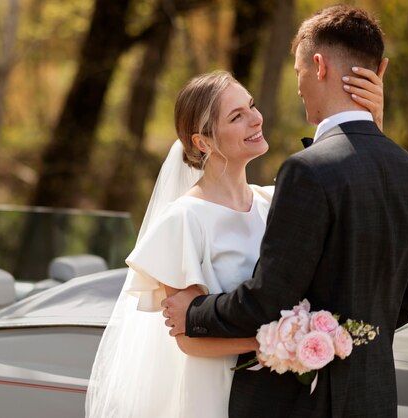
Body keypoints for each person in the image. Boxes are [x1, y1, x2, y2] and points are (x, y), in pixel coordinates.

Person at [85, 47, 385, 418]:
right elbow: (190, 338)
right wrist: (290, 341)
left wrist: (374, 127)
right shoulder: (184, 221)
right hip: (218, 393)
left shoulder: (274, 201)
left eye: (252, 106)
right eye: (237, 116)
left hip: (280, 398)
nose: (256, 119)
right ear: (203, 142)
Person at [162, 5, 408, 418]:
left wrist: (194, 313)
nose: (297, 86)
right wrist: (350, 331)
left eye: (298, 70)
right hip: (374, 397)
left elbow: (270, 298)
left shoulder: (308, 170)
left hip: (302, 404)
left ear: (318, 66)